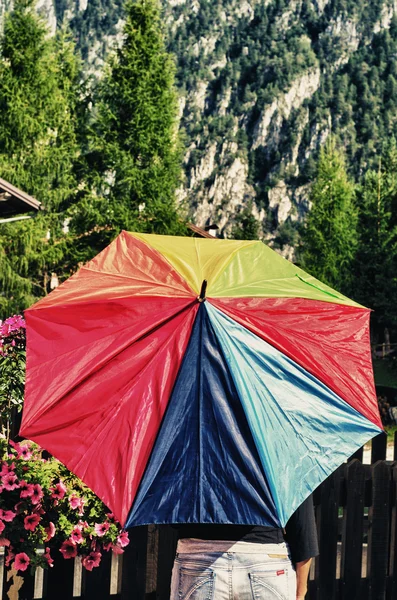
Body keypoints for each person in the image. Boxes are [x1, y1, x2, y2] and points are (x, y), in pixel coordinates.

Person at [170, 495, 318, 600]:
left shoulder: (188, 449)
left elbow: (171, 511)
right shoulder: (283, 450)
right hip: (266, 563)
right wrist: (300, 591)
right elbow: (301, 520)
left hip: (198, 560)